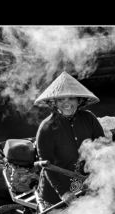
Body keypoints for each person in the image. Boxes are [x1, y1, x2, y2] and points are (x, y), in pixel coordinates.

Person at [33, 72, 106, 207]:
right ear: (54, 103)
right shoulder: (46, 128)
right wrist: (63, 192)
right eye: (61, 100)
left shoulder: (89, 118)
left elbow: (102, 147)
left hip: (87, 188)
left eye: (71, 98)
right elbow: (46, 166)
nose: (66, 103)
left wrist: (98, 173)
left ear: (79, 100)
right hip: (56, 195)